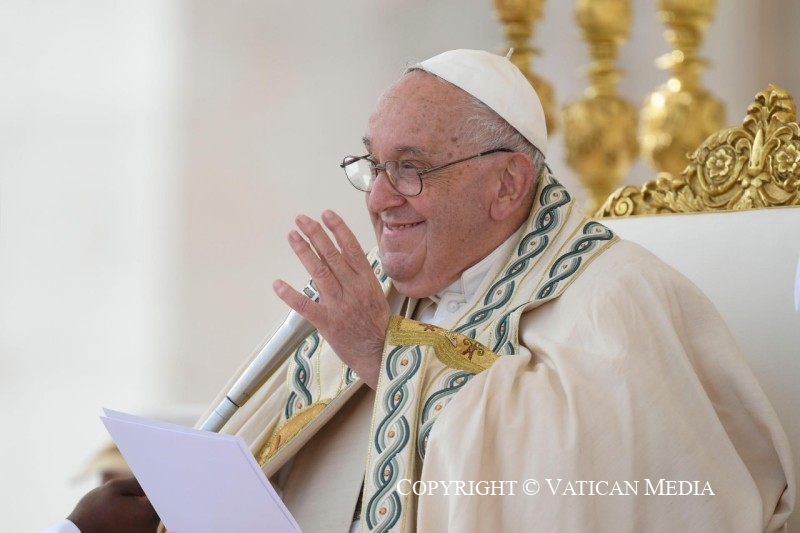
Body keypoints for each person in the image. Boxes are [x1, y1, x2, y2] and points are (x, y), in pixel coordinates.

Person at [51, 49, 794, 532]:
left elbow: (619, 492)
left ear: (508, 184)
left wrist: (388, 355)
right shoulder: (382, 294)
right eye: (370, 165)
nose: (378, 200)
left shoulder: (618, 293)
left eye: (410, 168)